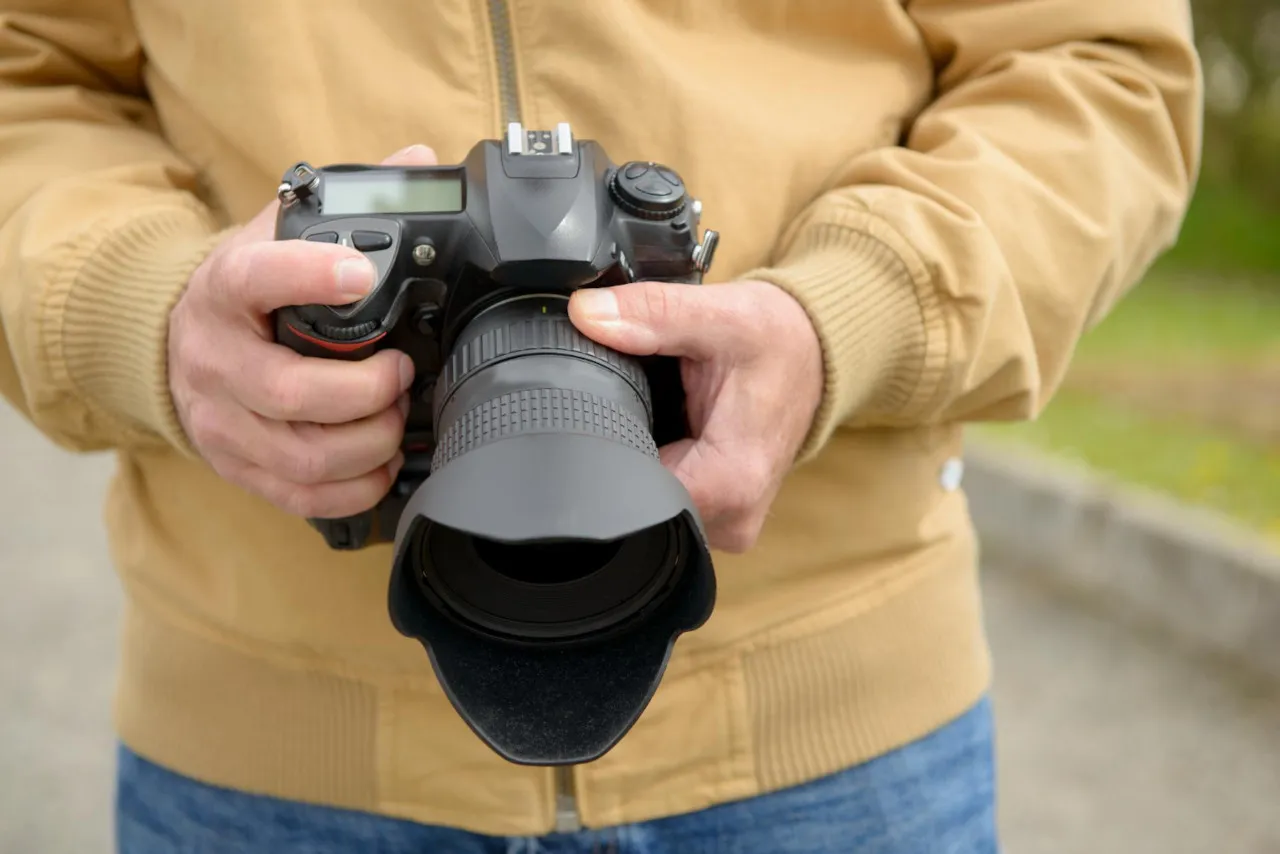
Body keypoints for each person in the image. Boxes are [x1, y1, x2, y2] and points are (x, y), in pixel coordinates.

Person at [0, 2, 1202, 852]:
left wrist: (848, 312)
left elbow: (1091, 63)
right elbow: (25, 72)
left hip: (833, 753)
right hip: (265, 762)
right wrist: (148, 313)